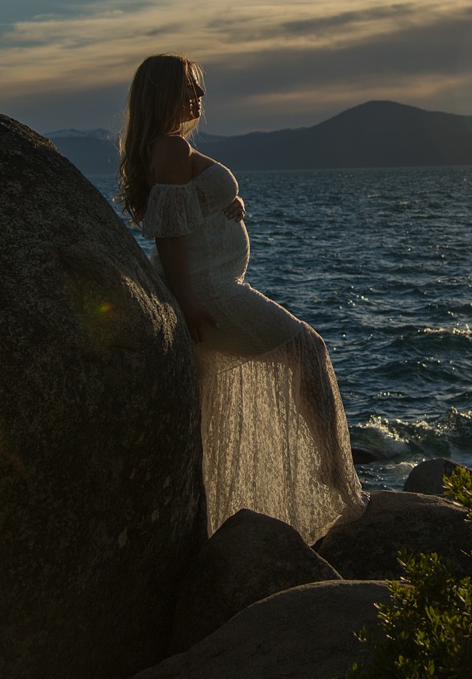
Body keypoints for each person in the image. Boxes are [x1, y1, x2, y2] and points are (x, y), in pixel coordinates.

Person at [118, 54, 365, 542]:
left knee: (208, 408)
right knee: (307, 350)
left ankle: (213, 515)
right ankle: (332, 471)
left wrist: (228, 200)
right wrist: (187, 303)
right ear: (162, 91)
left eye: (200, 87)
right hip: (210, 290)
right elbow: (168, 234)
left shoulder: (171, 148)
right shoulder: (168, 147)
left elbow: (186, 210)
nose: (199, 96)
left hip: (214, 283)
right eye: (189, 86)